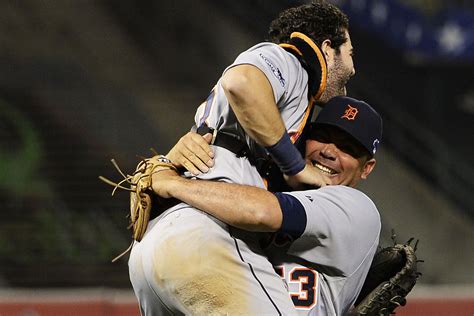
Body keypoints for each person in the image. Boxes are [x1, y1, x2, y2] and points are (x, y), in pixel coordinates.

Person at [128, 1, 356, 314]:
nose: (353, 68)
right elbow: (241, 83)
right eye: (350, 53)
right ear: (327, 48)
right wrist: (296, 166)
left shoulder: (282, 106)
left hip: (151, 251)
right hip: (207, 235)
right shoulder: (290, 60)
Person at [152, 96, 383, 315]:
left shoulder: (356, 209)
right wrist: (172, 162)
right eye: (322, 136)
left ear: (367, 168)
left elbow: (261, 212)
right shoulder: (256, 185)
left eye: (348, 148)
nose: (329, 151)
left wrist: (172, 182)